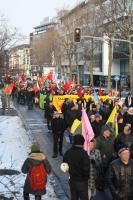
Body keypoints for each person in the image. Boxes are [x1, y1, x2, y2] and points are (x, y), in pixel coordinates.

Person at [62, 135, 90, 200]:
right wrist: (86, 178)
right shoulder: (83, 154)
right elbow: (86, 168)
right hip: (82, 181)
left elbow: (64, 165)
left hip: (72, 179)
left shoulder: (68, 152)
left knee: (74, 197)